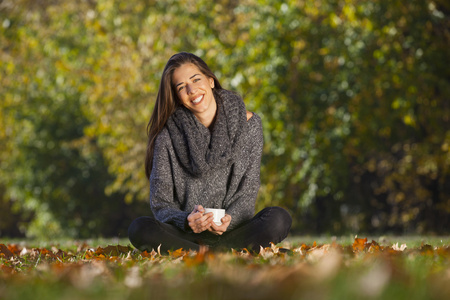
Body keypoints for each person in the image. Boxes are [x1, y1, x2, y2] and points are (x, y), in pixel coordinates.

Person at [128, 52, 291, 253]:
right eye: (181, 87)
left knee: (279, 218)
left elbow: (248, 191)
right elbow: (161, 204)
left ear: (211, 81)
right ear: (177, 97)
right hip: (185, 235)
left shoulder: (250, 125)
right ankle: (222, 254)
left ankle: (204, 254)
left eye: (196, 79)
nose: (192, 90)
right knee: (140, 228)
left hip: (232, 232)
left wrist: (227, 222)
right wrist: (187, 220)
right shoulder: (167, 136)